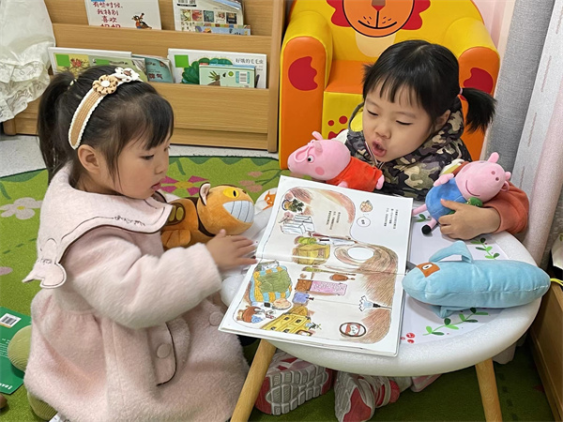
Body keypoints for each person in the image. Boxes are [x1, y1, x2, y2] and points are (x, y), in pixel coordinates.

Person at [256, 40, 529, 422]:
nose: (380, 131)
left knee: (418, 313)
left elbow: (516, 203)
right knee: (313, 283)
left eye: (402, 122)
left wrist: (486, 219)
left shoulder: (452, 166)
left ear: (438, 121)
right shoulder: (352, 144)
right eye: (372, 111)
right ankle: (311, 362)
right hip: (352, 257)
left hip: (411, 270)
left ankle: (383, 379)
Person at [23, 65, 257, 422]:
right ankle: (62, 391)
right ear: (91, 158)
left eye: (166, 148)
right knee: (203, 387)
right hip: (117, 337)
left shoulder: (106, 179)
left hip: (137, 303)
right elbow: (135, 297)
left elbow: (147, 216)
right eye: (148, 156)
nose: (163, 165)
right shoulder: (86, 235)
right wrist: (207, 261)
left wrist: (196, 221)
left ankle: (51, 373)